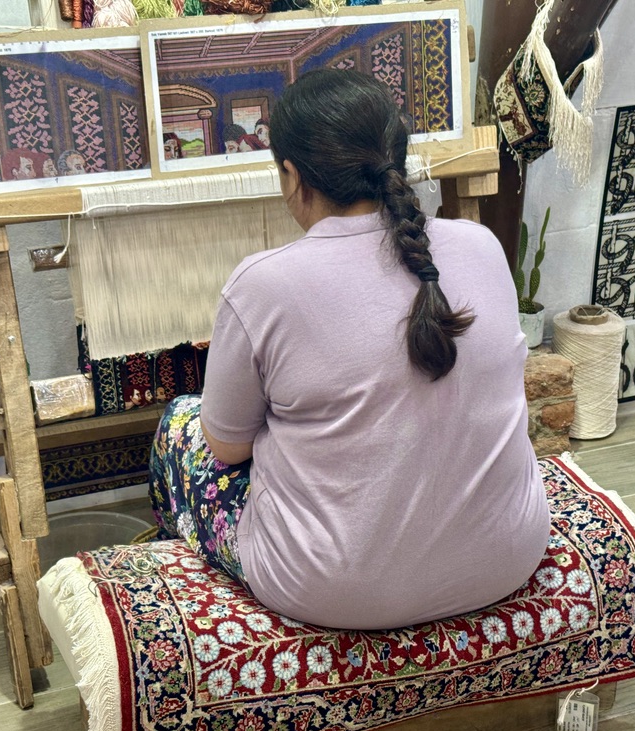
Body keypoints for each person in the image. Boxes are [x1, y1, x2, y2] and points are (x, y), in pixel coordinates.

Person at [147, 69, 550, 631]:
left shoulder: (262, 287)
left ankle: (178, 591)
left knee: (180, 425)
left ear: (293, 176)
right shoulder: (481, 246)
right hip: (508, 556)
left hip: (333, 592)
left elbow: (228, 448)